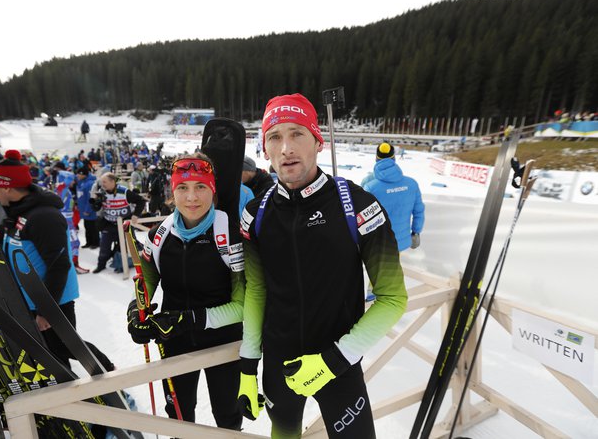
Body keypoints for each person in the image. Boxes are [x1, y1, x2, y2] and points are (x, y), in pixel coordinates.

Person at [237, 94, 407, 438]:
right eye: (275, 136)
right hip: (279, 365)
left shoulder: (359, 205)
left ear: (318, 141)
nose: (286, 147)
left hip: (340, 364)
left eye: (297, 134)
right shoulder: (255, 214)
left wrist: (333, 361)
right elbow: (256, 290)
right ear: (265, 149)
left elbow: (392, 299)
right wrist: (247, 365)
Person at [126, 153, 244, 430]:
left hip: (223, 341)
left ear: (212, 189)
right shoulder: (159, 234)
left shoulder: (230, 234)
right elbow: (148, 281)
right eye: (183, 188)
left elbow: (243, 306)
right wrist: (135, 310)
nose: (192, 197)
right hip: (174, 338)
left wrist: (191, 319)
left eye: (200, 187)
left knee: (227, 412)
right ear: (172, 190)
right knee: (178, 413)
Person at [0, 150, 115, 371]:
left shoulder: (43, 216)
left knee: (68, 347)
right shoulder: (18, 211)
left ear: (6, 186)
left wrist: (46, 310)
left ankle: (109, 377)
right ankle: (73, 394)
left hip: (53, 299)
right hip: (33, 298)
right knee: (53, 353)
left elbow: (60, 265)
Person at [362, 142, 425, 252]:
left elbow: (361, 218)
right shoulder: (411, 184)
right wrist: (416, 232)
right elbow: (419, 211)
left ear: (377, 158)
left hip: (378, 245)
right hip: (401, 242)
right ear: (394, 158)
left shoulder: (369, 185)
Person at [90, 172, 145, 273]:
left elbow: (141, 201)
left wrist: (136, 214)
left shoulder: (124, 192)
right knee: (104, 247)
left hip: (124, 225)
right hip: (108, 224)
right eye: (102, 182)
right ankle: (101, 265)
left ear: (112, 181)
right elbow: (95, 208)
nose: (102, 184)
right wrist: (96, 202)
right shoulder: (102, 192)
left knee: (126, 247)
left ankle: (126, 264)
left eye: (105, 182)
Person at [75, 167, 99, 249]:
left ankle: (95, 243)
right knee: (87, 226)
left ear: (83, 174)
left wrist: (88, 210)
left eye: (78, 174)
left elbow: (90, 198)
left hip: (90, 210)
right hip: (83, 209)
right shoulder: (81, 182)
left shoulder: (90, 184)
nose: (77, 175)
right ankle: (89, 242)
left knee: (93, 227)